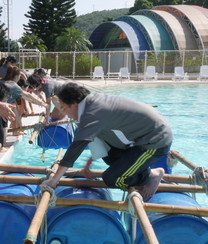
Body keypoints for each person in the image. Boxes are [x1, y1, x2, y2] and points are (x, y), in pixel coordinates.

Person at [41, 82, 173, 201]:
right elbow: (95, 141)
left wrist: (54, 181)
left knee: (112, 179)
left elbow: (75, 149)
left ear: (74, 103)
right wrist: (88, 164)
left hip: (155, 141)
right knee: (108, 157)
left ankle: (151, 176)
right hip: (140, 139)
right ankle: (144, 173)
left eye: (64, 108)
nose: (66, 114)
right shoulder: (91, 103)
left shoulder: (91, 112)